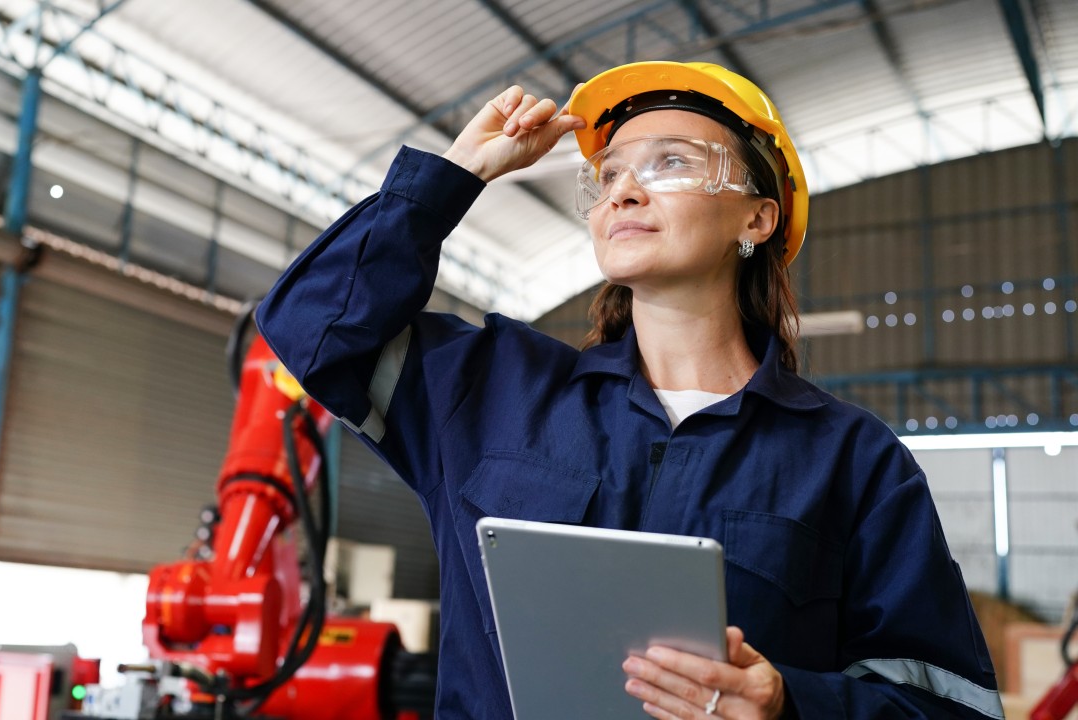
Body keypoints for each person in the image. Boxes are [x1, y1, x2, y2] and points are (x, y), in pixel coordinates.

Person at [256, 61, 1003, 719]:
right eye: (608, 174)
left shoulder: (851, 460)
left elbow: (950, 708)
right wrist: (455, 175)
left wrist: (789, 706)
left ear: (757, 217)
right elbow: (309, 325)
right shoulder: (487, 386)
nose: (624, 192)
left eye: (670, 163)